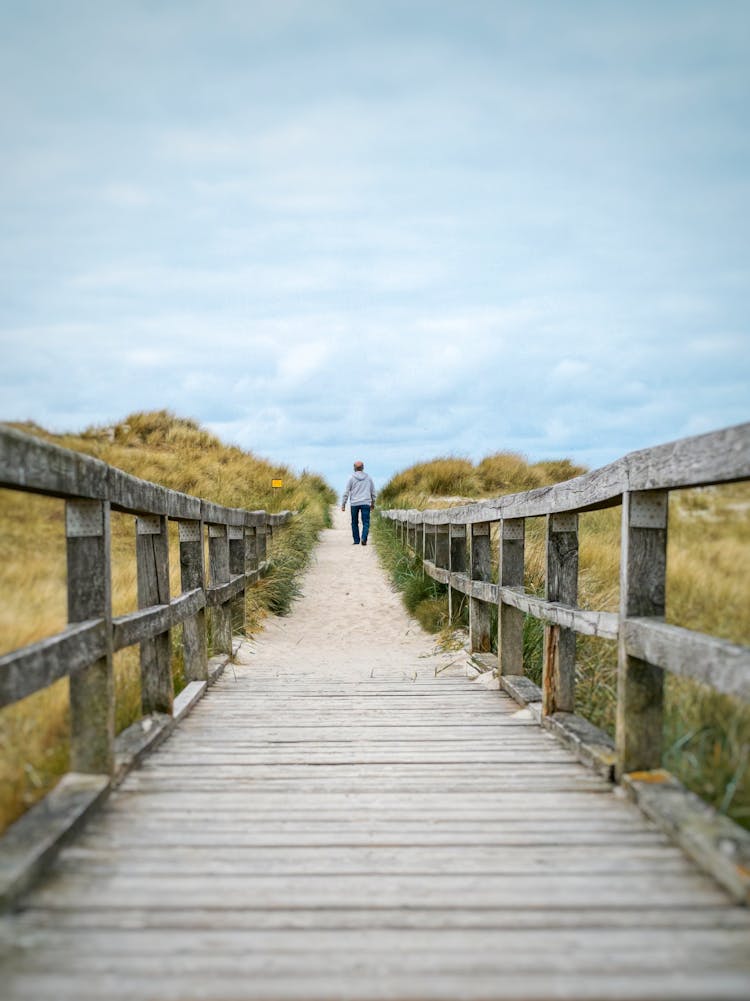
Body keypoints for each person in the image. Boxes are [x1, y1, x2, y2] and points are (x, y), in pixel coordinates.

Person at [341, 460, 376, 545]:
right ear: (363, 468)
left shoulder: (351, 478)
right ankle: (364, 538)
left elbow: (346, 492)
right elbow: (373, 492)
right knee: (366, 522)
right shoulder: (368, 478)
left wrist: (343, 504)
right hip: (366, 502)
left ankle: (356, 540)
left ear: (354, 468)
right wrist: (373, 503)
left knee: (354, 522)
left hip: (354, 503)